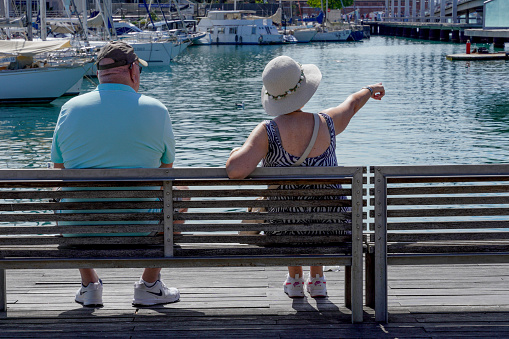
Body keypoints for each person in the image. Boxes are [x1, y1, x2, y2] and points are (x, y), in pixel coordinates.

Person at [226, 55, 384, 298]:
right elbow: (352, 104)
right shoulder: (327, 123)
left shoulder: (267, 131)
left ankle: (296, 278)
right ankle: (318, 278)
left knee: (287, 211)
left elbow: (235, 170)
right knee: (321, 208)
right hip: (332, 230)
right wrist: (370, 89)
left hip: (283, 234)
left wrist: (239, 151)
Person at [50, 41, 180, 308]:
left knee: (63, 193)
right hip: (141, 229)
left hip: (82, 230)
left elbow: (58, 172)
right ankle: (150, 285)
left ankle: (89, 286)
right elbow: (166, 172)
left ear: (100, 73)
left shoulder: (69, 109)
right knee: (179, 194)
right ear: (133, 70)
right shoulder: (157, 110)